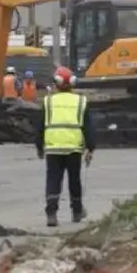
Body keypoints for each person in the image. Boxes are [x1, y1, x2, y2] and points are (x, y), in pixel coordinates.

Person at [34, 66, 95, 227]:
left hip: (53, 148)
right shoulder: (81, 101)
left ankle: (52, 213)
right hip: (74, 148)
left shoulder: (48, 101)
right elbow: (87, 127)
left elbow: (40, 126)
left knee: (53, 179)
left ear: (56, 83)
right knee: (74, 180)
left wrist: (39, 147)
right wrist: (91, 147)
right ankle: (76, 211)